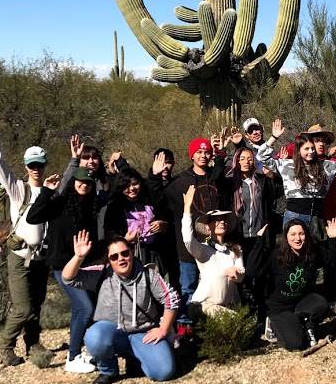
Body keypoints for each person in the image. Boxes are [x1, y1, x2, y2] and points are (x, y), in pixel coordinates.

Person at [0, 114, 50, 367]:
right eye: (32, 165)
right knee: (23, 308)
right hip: (20, 257)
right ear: (26, 166)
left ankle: (33, 342)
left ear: (45, 164)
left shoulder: (49, 190)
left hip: (41, 256)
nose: (36, 169)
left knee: (37, 305)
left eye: (40, 164)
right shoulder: (18, 189)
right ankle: (6, 347)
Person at [64, 232, 178, 384]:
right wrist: (78, 257)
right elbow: (68, 278)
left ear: (132, 252)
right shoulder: (101, 273)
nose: (121, 259)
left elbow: (171, 299)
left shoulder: (147, 275)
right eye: (114, 257)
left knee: (163, 371)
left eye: (125, 253)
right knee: (94, 336)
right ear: (109, 260)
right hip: (110, 332)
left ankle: (134, 358)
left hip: (142, 333)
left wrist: (163, 330)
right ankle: (108, 371)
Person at [26, 166, 101, 374]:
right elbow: (32, 217)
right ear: (73, 182)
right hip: (61, 265)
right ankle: (73, 356)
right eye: (80, 181)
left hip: (82, 264)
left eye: (88, 183)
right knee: (85, 308)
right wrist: (47, 191)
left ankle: (80, 352)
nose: (83, 185)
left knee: (82, 308)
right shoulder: (59, 203)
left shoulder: (90, 206)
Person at [147, 137, 226, 315]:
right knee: (187, 288)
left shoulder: (214, 178)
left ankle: (209, 326)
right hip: (187, 248)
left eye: (207, 152)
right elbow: (158, 198)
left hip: (213, 247)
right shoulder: (180, 182)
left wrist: (220, 153)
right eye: (199, 152)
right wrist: (155, 176)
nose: (203, 156)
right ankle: (185, 326)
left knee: (215, 289)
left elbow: (221, 171)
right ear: (191, 155)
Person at [245, 217, 336, 350]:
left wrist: (334, 239)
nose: (297, 238)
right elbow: (252, 271)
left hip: (301, 302)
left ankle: (308, 328)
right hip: (279, 308)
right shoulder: (276, 255)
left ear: (306, 235)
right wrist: (259, 241)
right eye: (293, 234)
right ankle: (273, 324)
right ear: (286, 237)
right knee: (295, 344)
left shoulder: (313, 252)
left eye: (301, 234)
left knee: (321, 304)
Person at [256, 131, 336, 240]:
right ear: (299, 150)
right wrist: (273, 137)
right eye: (306, 149)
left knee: (317, 251)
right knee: (293, 250)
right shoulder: (287, 165)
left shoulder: (325, 165)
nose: (310, 152)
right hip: (294, 216)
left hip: (317, 217)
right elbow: (262, 157)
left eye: (312, 148)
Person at [225, 146, 281, 320]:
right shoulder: (229, 182)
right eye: (242, 158)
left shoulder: (261, 180)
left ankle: (262, 313)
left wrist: (273, 175)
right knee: (242, 276)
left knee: (260, 275)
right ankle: (244, 312)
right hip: (238, 237)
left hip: (259, 234)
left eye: (249, 158)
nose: (246, 162)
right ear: (236, 161)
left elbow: (278, 191)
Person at [181, 185, 245, 321]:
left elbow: (241, 275)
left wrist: (236, 272)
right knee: (234, 322)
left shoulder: (235, 249)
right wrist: (187, 209)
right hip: (202, 306)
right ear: (208, 227)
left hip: (225, 307)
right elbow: (187, 239)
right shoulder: (204, 251)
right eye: (217, 220)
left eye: (224, 220)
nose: (221, 222)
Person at [104, 165, 170, 273]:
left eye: (135, 184)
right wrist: (124, 240)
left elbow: (166, 224)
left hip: (153, 253)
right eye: (126, 186)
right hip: (128, 253)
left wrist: (162, 225)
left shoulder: (151, 201)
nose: (132, 189)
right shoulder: (114, 207)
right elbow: (109, 234)